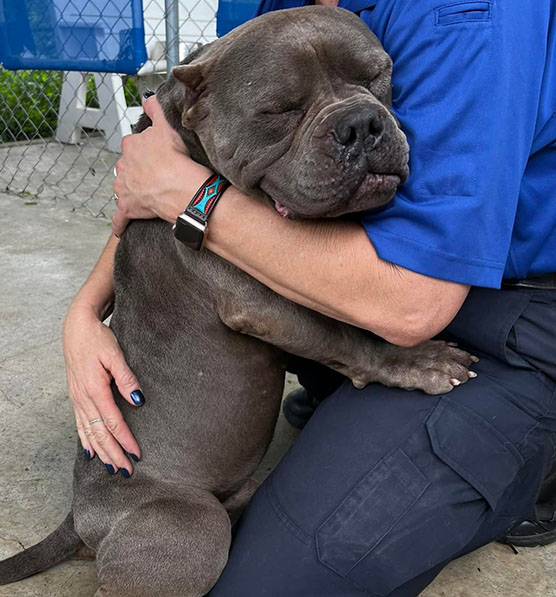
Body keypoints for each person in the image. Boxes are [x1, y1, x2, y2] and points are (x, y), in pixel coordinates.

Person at [62, 0, 556, 593]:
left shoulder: (476, 14)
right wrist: (86, 310)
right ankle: (335, 395)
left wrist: (193, 201)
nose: (356, 119)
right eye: (279, 109)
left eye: (372, 81)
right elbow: (161, 164)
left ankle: (536, 459)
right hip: (355, 283)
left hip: (503, 306)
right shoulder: (256, 11)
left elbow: (413, 307)